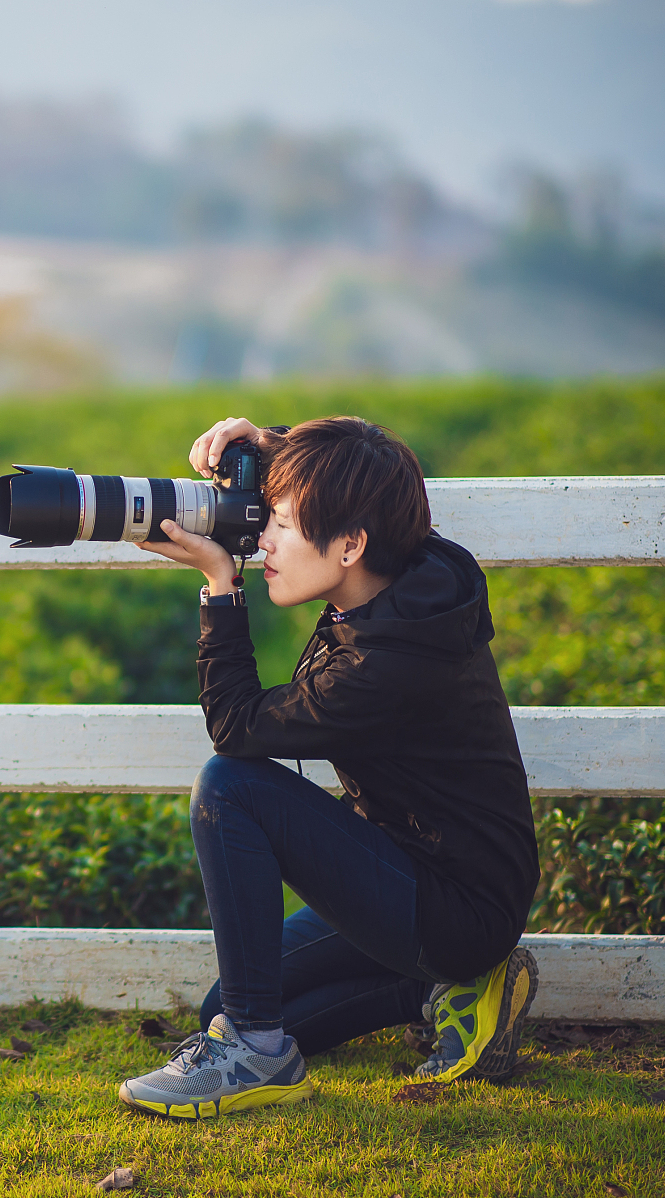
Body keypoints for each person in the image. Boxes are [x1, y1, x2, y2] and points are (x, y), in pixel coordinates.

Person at [116, 414, 539, 1119]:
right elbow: (369, 475)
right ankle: (447, 989)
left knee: (230, 786)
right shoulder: (420, 574)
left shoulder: (384, 667)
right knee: (226, 1002)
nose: (262, 539)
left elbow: (236, 729)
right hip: (417, 871)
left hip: (456, 904)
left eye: (281, 523)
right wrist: (273, 445)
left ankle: (255, 1053)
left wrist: (220, 584)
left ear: (351, 545)